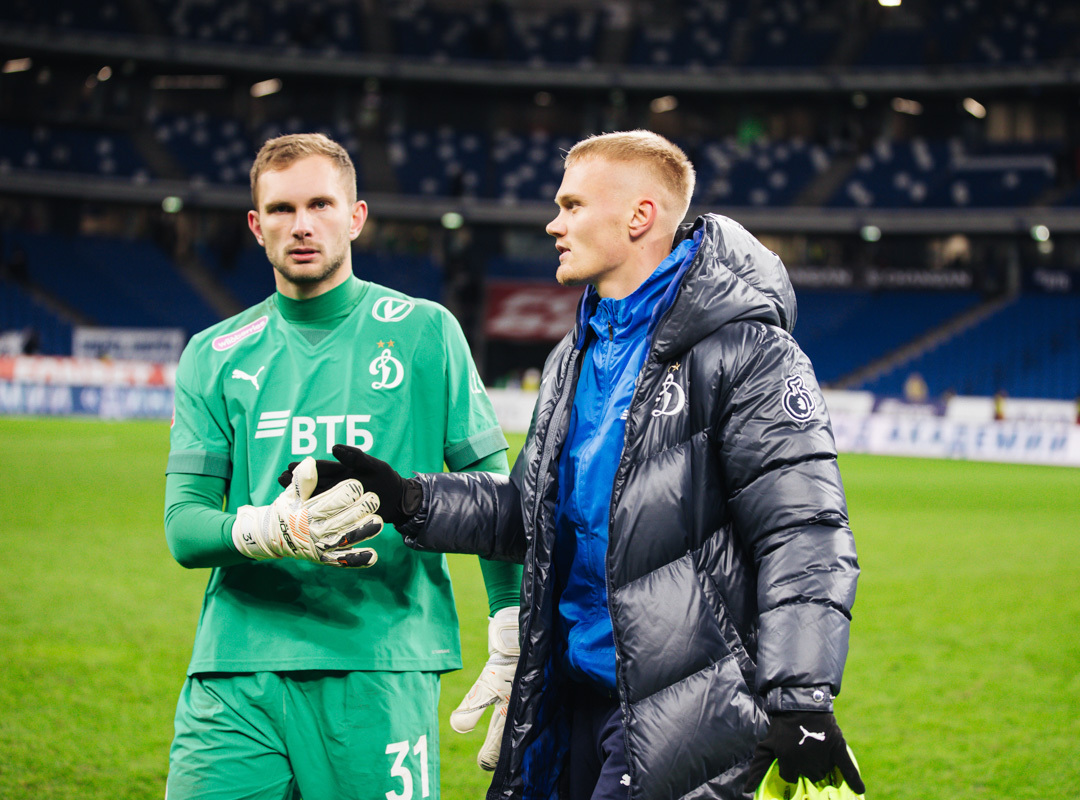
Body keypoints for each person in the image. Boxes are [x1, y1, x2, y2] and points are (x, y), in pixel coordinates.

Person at [304, 131, 863, 799]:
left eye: (571, 205)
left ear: (640, 217)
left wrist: (800, 695)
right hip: (566, 694)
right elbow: (535, 515)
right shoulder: (575, 354)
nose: (553, 222)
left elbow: (804, 532)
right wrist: (409, 501)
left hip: (679, 707)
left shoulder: (750, 353)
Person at [163, 133, 522, 800]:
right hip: (239, 666)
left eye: (321, 203)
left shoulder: (425, 331)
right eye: (281, 209)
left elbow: (496, 498)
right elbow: (184, 528)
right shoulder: (213, 354)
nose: (302, 225)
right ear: (256, 225)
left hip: (381, 663)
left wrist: (510, 625)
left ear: (355, 216)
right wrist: (270, 530)